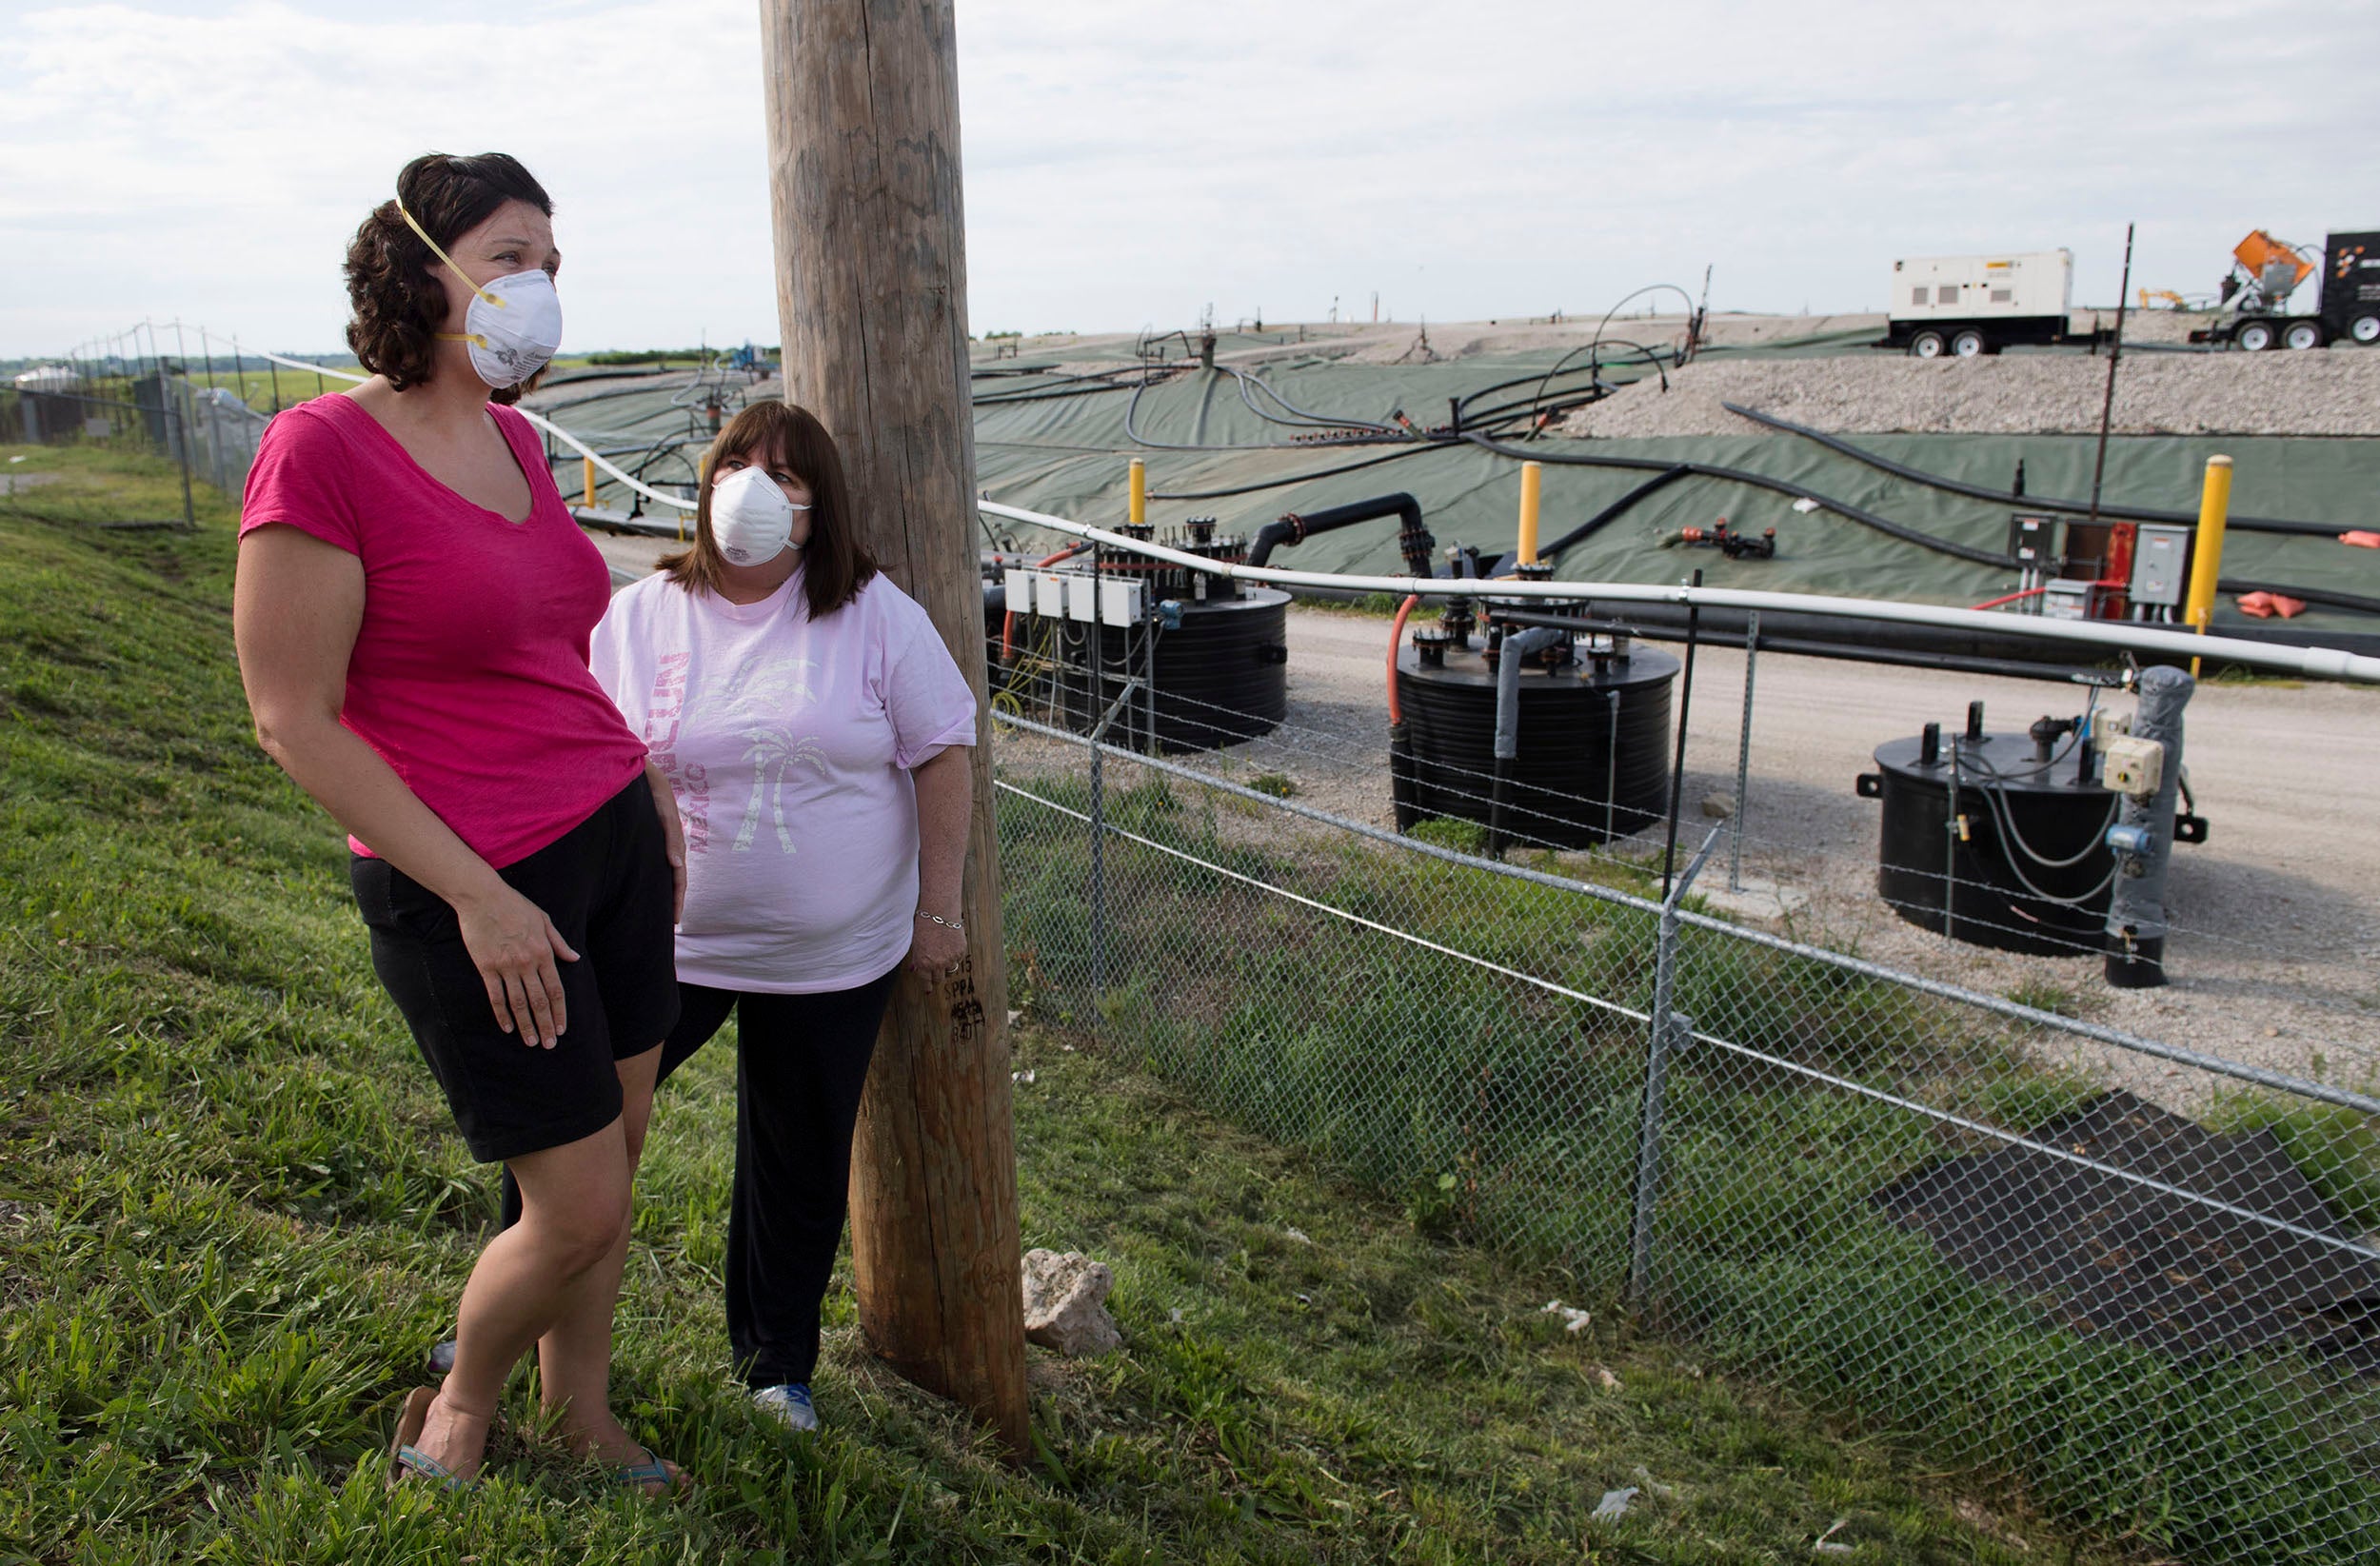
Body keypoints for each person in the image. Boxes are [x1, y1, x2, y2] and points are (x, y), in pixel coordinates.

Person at [232, 152, 686, 1495]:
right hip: (472, 874)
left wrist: (644, 781)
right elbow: (293, 719)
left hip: (607, 835)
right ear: (420, 269)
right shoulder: (319, 449)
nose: (537, 286)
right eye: (508, 257)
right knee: (579, 1201)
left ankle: (581, 1412)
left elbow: (547, 644)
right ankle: (463, 1409)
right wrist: (480, 896)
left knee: (617, 1157)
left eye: (551, 262)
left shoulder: (520, 440)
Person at [587, 398, 978, 1433]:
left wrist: (939, 912)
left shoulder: (871, 612)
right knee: (576, 1120)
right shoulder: (645, 613)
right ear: (706, 482)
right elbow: (585, 744)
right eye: (738, 464)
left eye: (787, 474)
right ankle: (520, 1308)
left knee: (798, 1157)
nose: (756, 487)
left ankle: (774, 1366)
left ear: (819, 508)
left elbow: (943, 750)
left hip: (830, 955)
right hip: (666, 941)